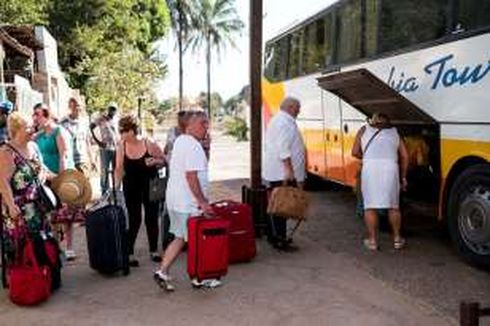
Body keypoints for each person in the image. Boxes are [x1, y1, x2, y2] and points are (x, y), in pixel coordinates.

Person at [154, 111, 219, 291]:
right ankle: (199, 277)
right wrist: (203, 202)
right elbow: (192, 177)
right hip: (188, 203)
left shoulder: (181, 141)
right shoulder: (192, 146)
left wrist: (206, 147)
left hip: (176, 201)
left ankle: (162, 271)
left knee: (181, 237)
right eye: (201, 123)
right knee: (198, 240)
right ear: (188, 126)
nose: (206, 126)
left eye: (207, 123)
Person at [351, 112, 409, 251]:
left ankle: (372, 241)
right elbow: (405, 156)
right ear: (388, 122)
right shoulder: (395, 132)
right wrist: (403, 177)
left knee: (370, 206)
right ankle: (397, 239)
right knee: (393, 206)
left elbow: (354, 152)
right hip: (390, 168)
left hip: (370, 169)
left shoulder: (363, 130)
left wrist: (367, 156)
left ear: (373, 121)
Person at [114, 115, 165, 266]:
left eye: (124, 130)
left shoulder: (149, 143)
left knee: (152, 217)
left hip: (152, 184)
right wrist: (115, 188)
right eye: (120, 130)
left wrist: (155, 161)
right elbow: (119, 169)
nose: (121, 133)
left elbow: (164, 160)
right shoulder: (121, 146)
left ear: (133, 131)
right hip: (131, 186)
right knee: (134, 219)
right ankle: (129, 253)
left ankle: (154, 250)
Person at [0, 113, 52, 262]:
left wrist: (47, 175)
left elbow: (42, 168)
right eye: (28, 127)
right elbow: (2, 181)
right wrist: (11, 205)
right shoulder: (6, 152)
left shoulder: (34, 146)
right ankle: (25, 281)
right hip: (19, 210)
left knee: (42, 243)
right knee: (22, 247)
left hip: (38, 205)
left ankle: (44, 277)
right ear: (17, 130)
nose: (33, 129)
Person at [32, 103, 76, 259]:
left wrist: (62, 179)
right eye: (34, 115)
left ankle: (69, 247)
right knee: (52, 213)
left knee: (65, 213)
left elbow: (64, 156)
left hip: (60, 176)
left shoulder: (59, 132)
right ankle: (56, 246)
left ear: (47, 115)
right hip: (46, 178)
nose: (35, 118)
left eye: (38, 114)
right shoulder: (39, 135)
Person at [263, 97, 306, 251]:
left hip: (278, 172)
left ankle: (273, 236)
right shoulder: (284, 123)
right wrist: (289, 170)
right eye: (297, 107)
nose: (299, 110)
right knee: (281, 207)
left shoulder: (280, 120)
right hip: (282, 173)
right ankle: (279, 240)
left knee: (276, 205)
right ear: (290, 107)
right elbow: (283, 148)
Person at [60, 98, 96, 175]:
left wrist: (92, 159)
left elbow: (87, 142)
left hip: (82, 161)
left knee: (84, 184)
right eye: (75, 106)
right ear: (70, 107)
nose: (78, 109)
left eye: (79, 106)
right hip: (70, 161)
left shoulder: (84, 123)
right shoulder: (63, 123)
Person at [90, 103, 118, 194]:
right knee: (104, 170)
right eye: (111, 109)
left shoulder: (116, 120)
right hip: (105, 149)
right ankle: (104, 192)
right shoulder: (101, 119)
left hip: (116, 148)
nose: (112, 111)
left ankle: (115, 190)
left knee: (116, 170)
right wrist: (98, 141)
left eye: (114, 109)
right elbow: (91, 127)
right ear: (108, 109)